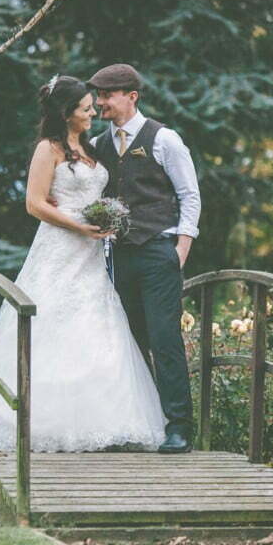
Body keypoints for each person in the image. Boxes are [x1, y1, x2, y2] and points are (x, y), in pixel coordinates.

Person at [0, 75, 166, 456]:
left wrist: (104, 218)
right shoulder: (47, 149)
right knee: (48, 325)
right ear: (66, 113)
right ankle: (33, 422)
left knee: (97, 326)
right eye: (86, 108)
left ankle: (102, 424)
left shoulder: (90, 148)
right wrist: (78, 225)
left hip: (91, 255)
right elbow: (34, 203)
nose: (93, 113)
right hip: (59, 249)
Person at [87, 63, 202, 453]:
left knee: (164, 338)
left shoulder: (164, 139)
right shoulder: (99, 145)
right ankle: (138, 427)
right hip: (117, 256)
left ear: (131, 96)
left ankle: (179, 427)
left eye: (107, 95)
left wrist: (181, 248)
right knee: (127, 342)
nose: (100, 102)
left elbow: (189, 195)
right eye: (98, 95)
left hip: (157, 250)